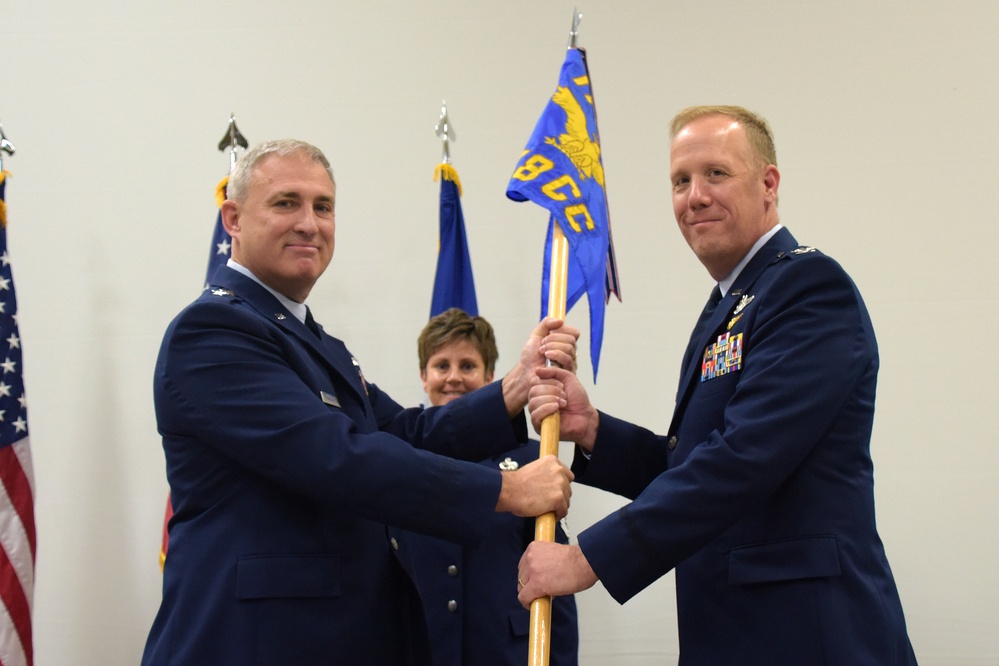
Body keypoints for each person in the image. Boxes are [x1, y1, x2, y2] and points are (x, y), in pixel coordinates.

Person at [142, 139, 579, 665]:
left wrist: (512, 388)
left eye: (323, 206)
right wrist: (506, 489)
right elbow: (336, 457)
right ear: (232, 218)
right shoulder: (213, 331)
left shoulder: (319, 344)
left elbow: (402, 434)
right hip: (255, 642)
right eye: (286, 203)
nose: (310, 223)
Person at [519, 106, 917, 664]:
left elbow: (744, 459)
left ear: (769, 184)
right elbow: (697, 465)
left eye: (716, 174)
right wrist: (594, 431)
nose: (695, 196)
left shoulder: (807, 288)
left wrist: (589, 558)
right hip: (735, 635)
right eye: (680, 181)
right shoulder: (729, 305)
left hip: (807, 637)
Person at [392, 308, 579, 665]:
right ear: (422, 376)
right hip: (423, 649)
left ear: (490, 375)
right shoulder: (398, 458)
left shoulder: (529, 459)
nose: (453, 378)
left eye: (467, 366)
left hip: (503, 652)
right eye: (441, 366)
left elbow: (556, 577)